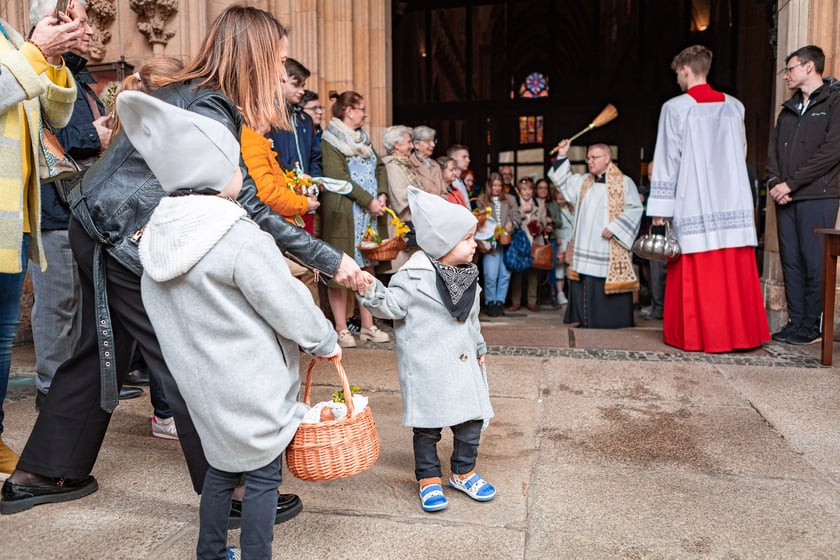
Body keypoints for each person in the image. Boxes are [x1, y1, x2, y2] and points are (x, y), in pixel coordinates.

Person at [1, 6, 365, 518]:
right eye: (278, 61)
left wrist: (326, 259)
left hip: (101, 222)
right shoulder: (208, 105)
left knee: (99, 348)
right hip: (122, 231)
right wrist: (331, 260)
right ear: (255, 57)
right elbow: (248, 204)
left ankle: (42, 471)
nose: (282, 74)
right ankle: (235, 490)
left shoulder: (196, 94)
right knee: (188, 355)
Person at [120, 90, 341, 560]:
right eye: (238, 165)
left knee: (220, 470)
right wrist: (323, 340)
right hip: (252, 383)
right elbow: (285, 300)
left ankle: (212, 552)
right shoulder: (237, 235)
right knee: (262, 477)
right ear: (220, 174)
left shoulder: (156, 239)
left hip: (201, 387)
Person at [358, 186, 495, 513]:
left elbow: (471, 319)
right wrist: (369, 288)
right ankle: (429, 477)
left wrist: (478, 344)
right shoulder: (413, 277)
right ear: (444, 243)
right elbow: (391, 306)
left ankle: (463, 471)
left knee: (471, 422)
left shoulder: (469, 277)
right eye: (467, 238)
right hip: (429, 365)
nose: (474, 244)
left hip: (463, 365)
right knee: (428, 427)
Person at [0, 4, 81, 474]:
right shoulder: (19, 45)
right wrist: (35, 52)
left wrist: (51, 59)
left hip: (15, 211)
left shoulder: (10, 36)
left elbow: (55, 114)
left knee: (2, 339)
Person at [648, 45, 769, 352]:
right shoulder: (734, 106)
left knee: (697, 267)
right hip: (732, 197)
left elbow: (666, 160)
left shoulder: (675, 108)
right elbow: (740, 152)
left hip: (695, 199)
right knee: (732, 267)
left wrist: (660, 209)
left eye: (677, 73)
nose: (677, 78)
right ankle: (739, 335)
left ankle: (700, 336)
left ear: (686, 69)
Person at [767, 45, 840, 345]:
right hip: (786, 197)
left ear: (810, 67)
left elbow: (832, 150)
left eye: (791, 68)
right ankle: (796, 322)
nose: (786, 75)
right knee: (792, 262)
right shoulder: (788, 110)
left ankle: (813, 325)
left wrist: (791, 183)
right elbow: (772, 149)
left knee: (815, 262)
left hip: (818, 196)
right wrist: (775, 182)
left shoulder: (835, 100)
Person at [320, 90, 390, 348]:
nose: (365, 114)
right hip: (345, 214)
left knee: (367, 269)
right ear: (348, 110)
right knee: (340, 270)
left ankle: (367, 326)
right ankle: (341, 328)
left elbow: (379, 167)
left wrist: (381, 194)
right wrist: (368, 200)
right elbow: (339, 179)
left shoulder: (364, 138)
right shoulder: (331, 140)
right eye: (360, 108)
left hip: (368, 215)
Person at [548, 141, 643, 329]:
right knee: (586, 281)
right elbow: (563, 181)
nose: (590, 162)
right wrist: (562, 155)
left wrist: (616, 227)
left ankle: (610, 320)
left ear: (607, 158)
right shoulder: (584, 181)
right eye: (588, 158)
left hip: (606, 245)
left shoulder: (624, 182)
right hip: (585, 245)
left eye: (594, 158)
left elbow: (635, 208)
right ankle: (586, 319)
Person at [269, 58, 322, 237]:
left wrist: (313, 178)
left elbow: (315, 155)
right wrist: (294, 177)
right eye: (296, 85)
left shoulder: (305, 120)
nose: (301, 91)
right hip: (280, 196)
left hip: (304, 195)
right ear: (280, 80)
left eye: (303, 85)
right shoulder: (267, 118)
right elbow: (270, 156)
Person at [382, 125, 425, 271]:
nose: (412, 146)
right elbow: (400, 199)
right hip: (401, 229)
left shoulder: (405, 165)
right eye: (408, 142)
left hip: (413, 225)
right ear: (396, 144)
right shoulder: (392, 166)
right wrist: (425, 199)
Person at [476, 173, 517, 317]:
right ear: (489, 186)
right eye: (494, 185)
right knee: (490, 274)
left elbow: (517, 217)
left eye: (499, 185)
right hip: (490, 242)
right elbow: (479, 220)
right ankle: (490, 302)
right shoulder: (481, 200)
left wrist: (511, 224)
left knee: (505, 274)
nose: (497, 188)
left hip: (506, 242)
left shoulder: (511, 199)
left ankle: (500, 302)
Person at [508, 177, 549, 312]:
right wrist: (522, 213)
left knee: (533, 273)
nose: (527, 192)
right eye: (524, 190)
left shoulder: (540, 203)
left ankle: (532, 301)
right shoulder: (515, 203)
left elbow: (544, 222)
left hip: (535, 241)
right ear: (520, 191)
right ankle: (516, 301)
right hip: (520, 242)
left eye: (530, 189)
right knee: (518, 272)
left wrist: (538, 225)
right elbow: (512, 220)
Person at [545, 180, 573, 307]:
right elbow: (552, 226)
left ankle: (572, 293)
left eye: (563, 195)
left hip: (572, 240)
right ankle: (560, 293)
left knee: (571, 268)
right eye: (559, 195)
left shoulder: (572, 207)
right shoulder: (552, 209)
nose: (561, 198)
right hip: (560, 240)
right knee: (560, 267)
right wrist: (555, 237)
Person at [409, 125, 446, 196]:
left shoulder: (435, 165)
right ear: (416, 144)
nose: (433, 145)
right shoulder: (410, 163)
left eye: (433, 141)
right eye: (428, 141)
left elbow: (444, 192)